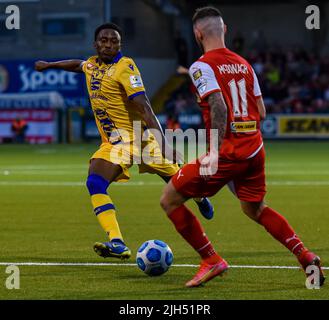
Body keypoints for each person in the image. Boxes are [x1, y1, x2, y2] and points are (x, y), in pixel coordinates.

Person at [160, 7, 325, 288]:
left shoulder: (202, 66)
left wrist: (214, 150)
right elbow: (260, 112)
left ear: (197, 34)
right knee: (255, 209)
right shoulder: (244, 64)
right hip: (254, 149)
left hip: (228, 153)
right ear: (224, 30)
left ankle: (211, 259)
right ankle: (305, 255)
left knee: (169, 199)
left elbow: (218, 104)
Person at [34, 23, 214, 260]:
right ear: (95, 44)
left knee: (176, 180)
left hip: (140, 139)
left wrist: (164, 143)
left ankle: (200, 196)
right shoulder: (92, 64)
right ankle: (117, 242)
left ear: (120, 44)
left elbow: (145, 107)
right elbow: (78, 65)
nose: (108, 44)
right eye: (104, 40)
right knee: (95, 183)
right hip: (114, 144)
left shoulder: (125, 67)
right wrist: (50, 65)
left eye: (114, 41)